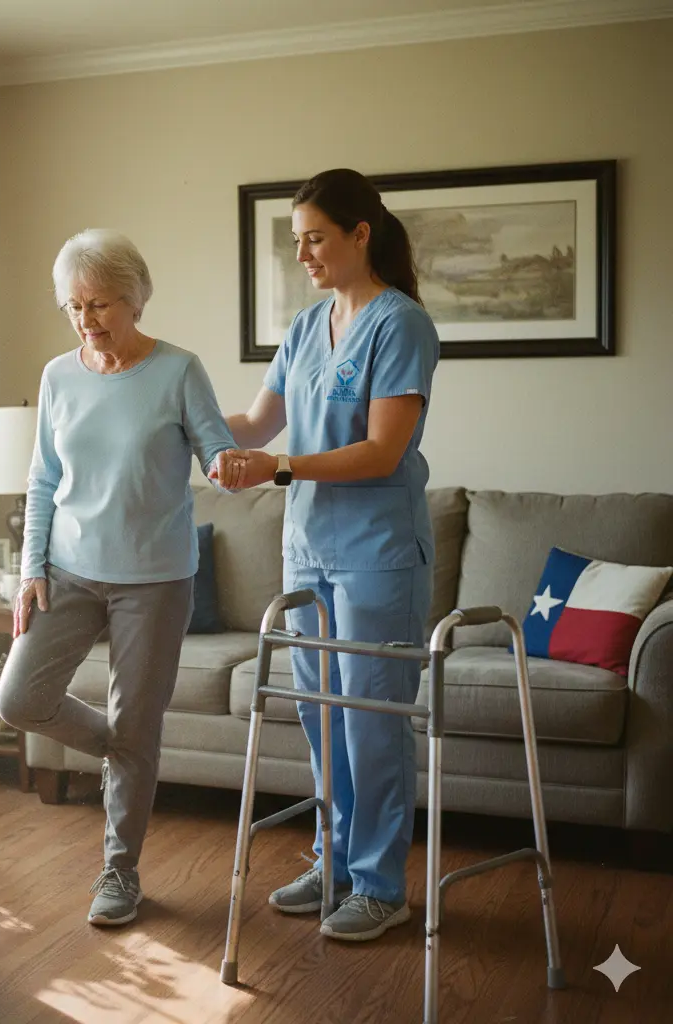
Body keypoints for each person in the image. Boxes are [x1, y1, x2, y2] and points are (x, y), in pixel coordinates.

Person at [212, 168, 440, 942]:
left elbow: (381, 451)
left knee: (373, 723)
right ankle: (334, 863)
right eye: (296, 240)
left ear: (360, 234)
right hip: (306, 550)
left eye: (315, 238)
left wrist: (276, 469)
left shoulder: (401, 324)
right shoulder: (308, 327)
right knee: (321, 718)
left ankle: (380, 886)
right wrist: (181, 421)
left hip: (377, 554)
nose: (303, 254)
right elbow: (256, 424)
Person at [0, 228, 235, 927]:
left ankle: (119, 873)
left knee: (137, 720)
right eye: (73, 306)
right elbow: (43, 479)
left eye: (98, 304)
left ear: (135, 299)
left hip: (155, 581)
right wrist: (30, 568)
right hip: (67, 571)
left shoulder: (178, 370)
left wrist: (227, 463)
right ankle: (125, 748)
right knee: (20, 698)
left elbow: (216, 448)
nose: (86, 320)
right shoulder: (58, 375)